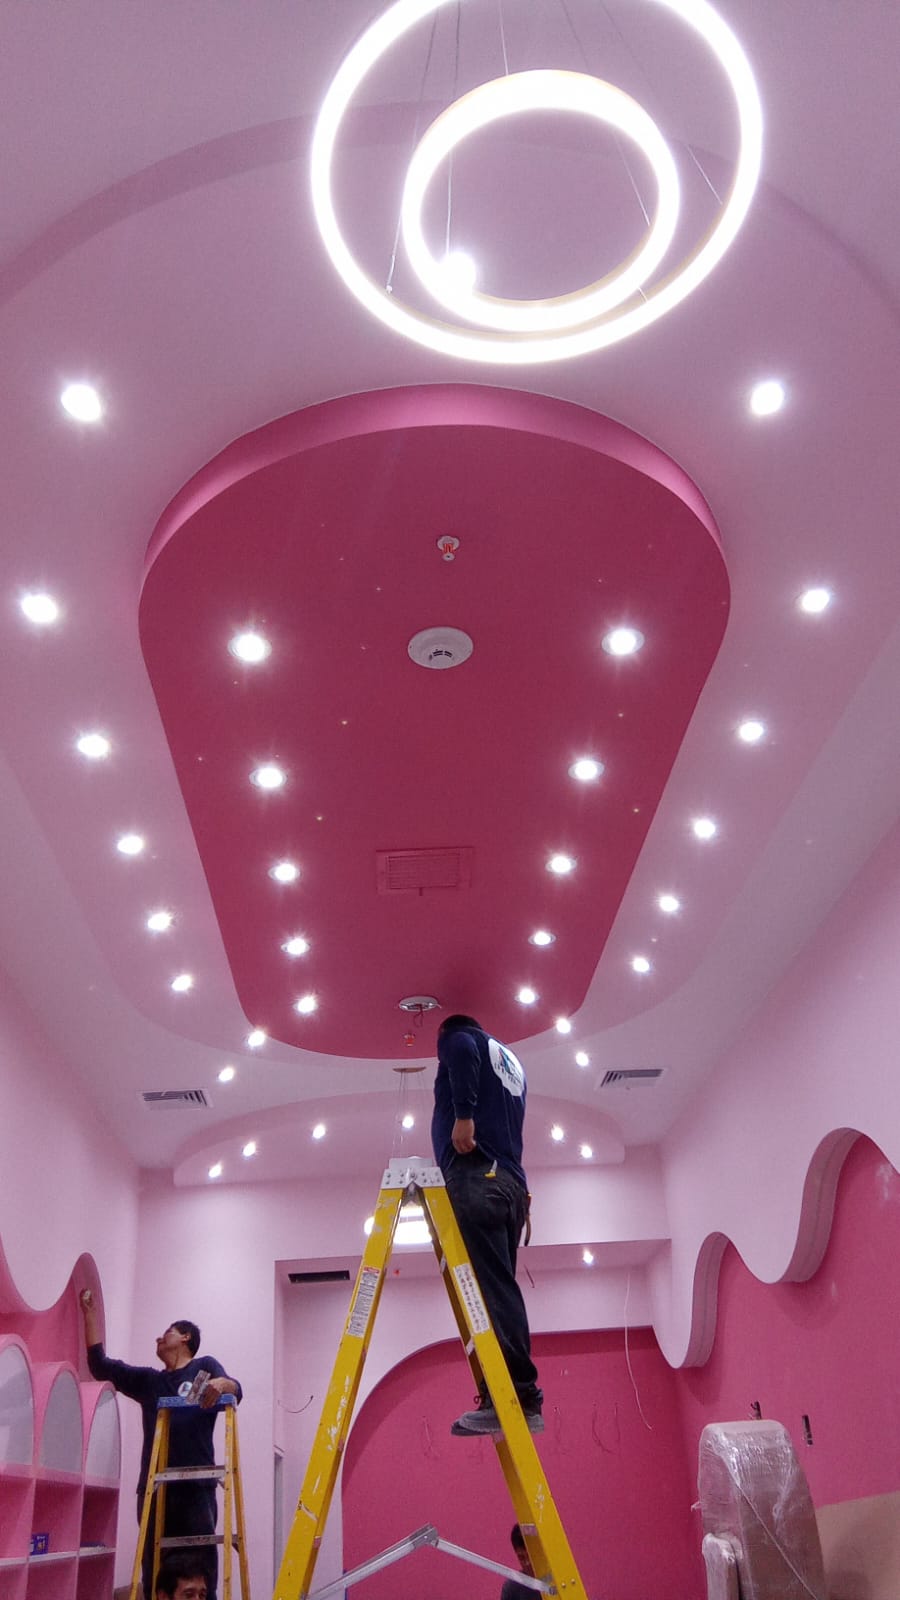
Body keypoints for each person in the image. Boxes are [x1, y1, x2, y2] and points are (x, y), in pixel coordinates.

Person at [79, 1289, 241, 1600]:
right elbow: (100, 1365)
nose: (158, 1338)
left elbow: (236, 1390)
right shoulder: (150, 1382)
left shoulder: (203, 1368)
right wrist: (89, 1313)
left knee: (202, 1569)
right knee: (155, 1568)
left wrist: (223, 1383)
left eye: (167, 1332)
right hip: (154, 1489)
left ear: (185, 1338)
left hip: (196, 1488)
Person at [431, 1013, 542, 1435]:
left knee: (489, 1290)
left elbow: (460, 1048)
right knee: (498, 1288)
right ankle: (510, 1395)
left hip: (478, 1175)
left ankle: (518, 1396)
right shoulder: (509, 1060)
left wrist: (462, 1114)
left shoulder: (459, 1037)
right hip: (507, 1184)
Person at [501, 1524, 539, 1600]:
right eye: (522, 1557)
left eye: (531, 1556)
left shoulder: (561, 1580)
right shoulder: (512, 1588)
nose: (527, 1563)